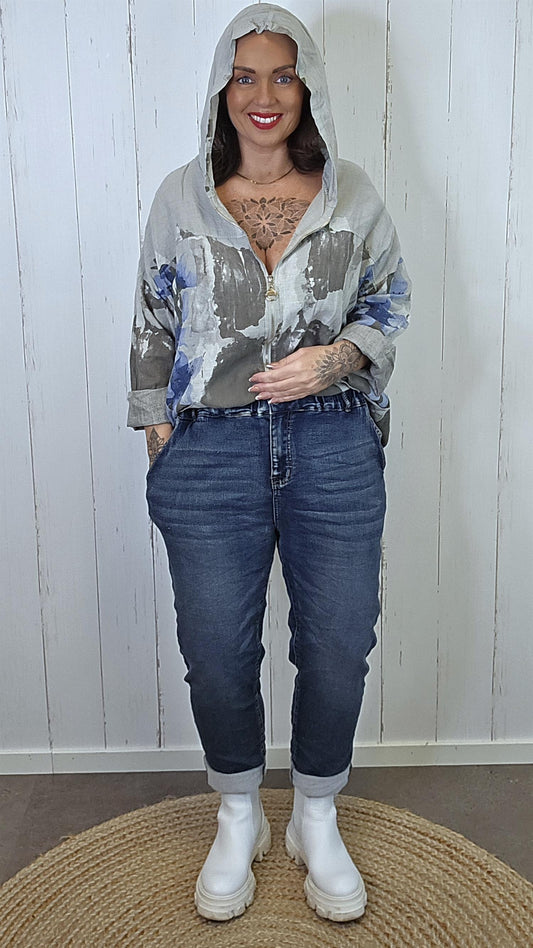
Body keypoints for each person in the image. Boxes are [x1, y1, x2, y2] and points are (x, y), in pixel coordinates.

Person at [127, 2, 410, 925]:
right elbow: (152, 317)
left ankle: (314, 817)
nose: (263, 94)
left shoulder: (350, 193)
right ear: (222, 89)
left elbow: (389, 301)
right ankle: (239, 812)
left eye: (282, 75)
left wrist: (338, 358)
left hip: (331, 440)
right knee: (216, 650)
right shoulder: (180, 197)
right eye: (243, 75)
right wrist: (156, 429)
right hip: (208, 449)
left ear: (306, 87)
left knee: (337, 644)